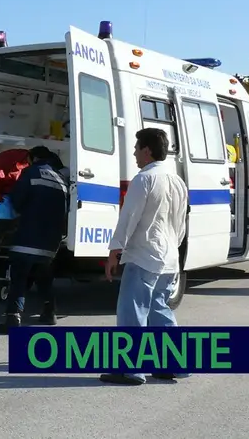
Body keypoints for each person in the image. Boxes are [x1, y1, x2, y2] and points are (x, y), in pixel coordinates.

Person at [100, 128, 188, 385]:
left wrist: (114, 251)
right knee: (160, 311)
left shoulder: (144, 179)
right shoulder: (177, 181)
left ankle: (130, 369)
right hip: (170, 256)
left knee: (132, 310)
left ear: (147, 150)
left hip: (144, 255)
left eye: (137, 149)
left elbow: (129, 218)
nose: (135, 154)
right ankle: (173, 365)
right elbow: (181, 224)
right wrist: (174, 248)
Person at [0, 145, 69, 333]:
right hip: (51, 242)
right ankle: (50, 312)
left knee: (19, 277)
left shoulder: (30, 173)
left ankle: (13, 318)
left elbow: (17, 202)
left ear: (33, 158)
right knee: (43, 276)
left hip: (27, 238)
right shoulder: (61, 179)